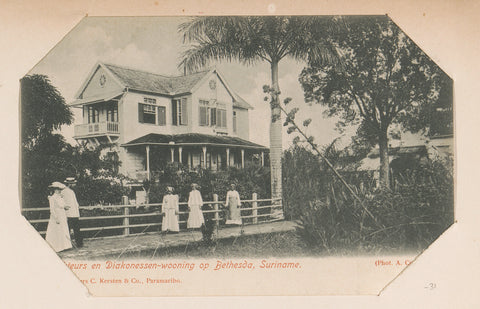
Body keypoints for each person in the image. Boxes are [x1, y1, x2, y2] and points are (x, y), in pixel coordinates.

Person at [45, 182, 72, 252]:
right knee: (57, 230)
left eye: (60, 189)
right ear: (55, 190)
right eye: (58, 189)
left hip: (62, 214)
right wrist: (56, 218)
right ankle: (56, 246)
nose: (59, 191)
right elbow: (52, 209)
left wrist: (65, 207)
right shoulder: (52, 198)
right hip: (57, 215)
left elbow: (62, 205)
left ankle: (64, 246)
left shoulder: (61, 197)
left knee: (63, 229)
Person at [62, 177, 83, 247]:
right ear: (70, 184)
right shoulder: (63, 191)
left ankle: (79, 243)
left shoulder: (71, 191)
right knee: (68, 229)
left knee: (76, 229)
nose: (75, 185)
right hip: (68, 213)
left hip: (74, 213)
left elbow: (75, 203)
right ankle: (67, 244)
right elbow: (62, 202)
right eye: (73, 183)